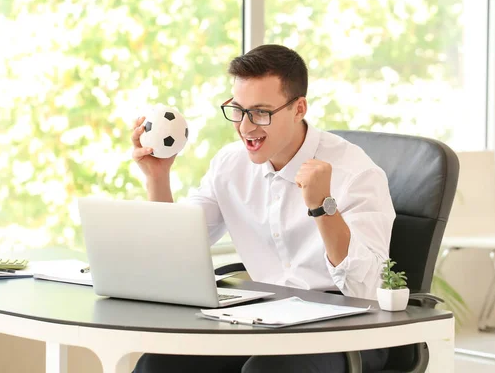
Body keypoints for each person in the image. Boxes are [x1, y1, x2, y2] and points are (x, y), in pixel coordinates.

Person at [130, 44, 395, 373]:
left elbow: (368, 289)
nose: (245, 127)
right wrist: (158, 177)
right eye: (237, 110)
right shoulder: (230, 165)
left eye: (260, 113)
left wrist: (322, 208)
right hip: (263, 318)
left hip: (345, 328)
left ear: (299, 109)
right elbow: (173, 251)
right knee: (158, 364)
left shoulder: (356, 173)